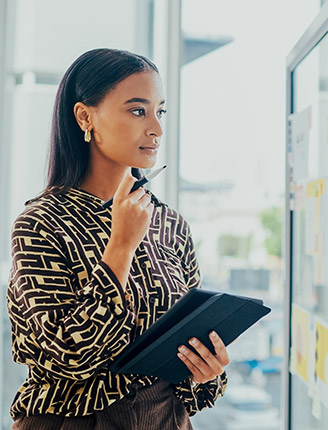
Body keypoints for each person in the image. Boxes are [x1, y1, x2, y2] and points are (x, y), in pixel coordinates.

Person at [7, 48, 229, 430]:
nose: (156, 128)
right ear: (85, 117)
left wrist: (206, 371)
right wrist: (121, 246)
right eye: (137, 110)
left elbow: (189, 354)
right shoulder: (40, 223)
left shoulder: (170, 224)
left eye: (160, 111)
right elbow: (70, 357)